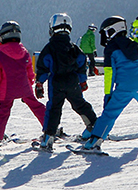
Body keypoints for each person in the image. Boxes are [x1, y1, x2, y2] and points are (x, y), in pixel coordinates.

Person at [76, 15, 138, 151]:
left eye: (106, 32)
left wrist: (108, 94)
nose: (105, 36)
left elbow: (110, 74)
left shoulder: (111, 49)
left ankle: (95, 141)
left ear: (112, 30)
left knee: (109, 113)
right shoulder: (133, 45)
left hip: (124, 87)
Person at [34, 13, 97, 150]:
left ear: (52, 28)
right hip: (72, 81)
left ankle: (48, 137)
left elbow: (43, 67)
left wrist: (39, 83)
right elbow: (82, 64)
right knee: (80, 104)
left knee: (54, 108)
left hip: (56, 82)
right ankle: (94, 127)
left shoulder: (49, 48)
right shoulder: (74, 47)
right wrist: (82, 81)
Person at [0, 20, 48, 151]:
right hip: (24, 87)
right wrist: (28, 86)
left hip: (6, 89)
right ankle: (50, 129)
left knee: (3, 112)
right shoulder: (24, 52)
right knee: (36, 106)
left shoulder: (0, 54)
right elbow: (30, 73)